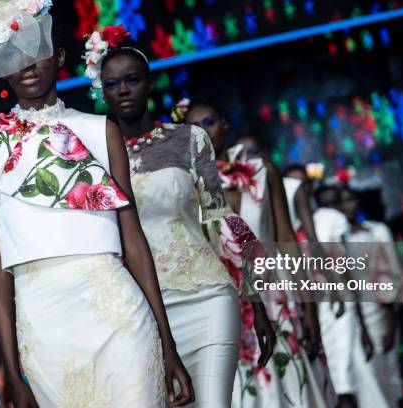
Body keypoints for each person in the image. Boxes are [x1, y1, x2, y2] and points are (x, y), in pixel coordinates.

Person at [0, 4, 192, 407]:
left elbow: (133, 240)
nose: (28, 64)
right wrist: (12, 373)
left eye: (37, 48)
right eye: (14, 51)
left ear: (61, 55)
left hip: (119, 315)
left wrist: (168, 344)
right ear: (1, 64)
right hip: (43, 325)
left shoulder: (100, 130)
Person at [92, 33, 275, 407]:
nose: (123, 90)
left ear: (150, 82)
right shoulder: (96, 157)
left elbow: (225, 222)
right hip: (140, 313)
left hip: (207, 296)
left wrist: (257, 303)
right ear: (102, 91)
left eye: (132, 79)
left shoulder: (190, 140)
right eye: (112, 83)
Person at [182, 100, 336, 408]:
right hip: (229, 303)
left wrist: (309, 308)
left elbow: (286, 240)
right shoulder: (188, 188)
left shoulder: (264, 172)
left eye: (209, 122)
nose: (203, 132)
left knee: (295, 385)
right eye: (194, 128)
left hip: (278, 296)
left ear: (225, 124)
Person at [340, 187, 403, 408]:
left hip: (379, 310)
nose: (346, 205)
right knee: (366, 379)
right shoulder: (333, 237)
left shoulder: (376, 231)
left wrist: (390, 316)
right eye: (340, 201)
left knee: (388, 373)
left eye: (350, 199)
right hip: (351, 316)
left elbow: (392, 273)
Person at [312, 184, 374, 408]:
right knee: (340, 377)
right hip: (323, 305)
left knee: (344, 375)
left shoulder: (324, 221)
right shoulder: (324, 221)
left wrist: (362, 324)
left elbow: (345, 270)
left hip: (333, 304)